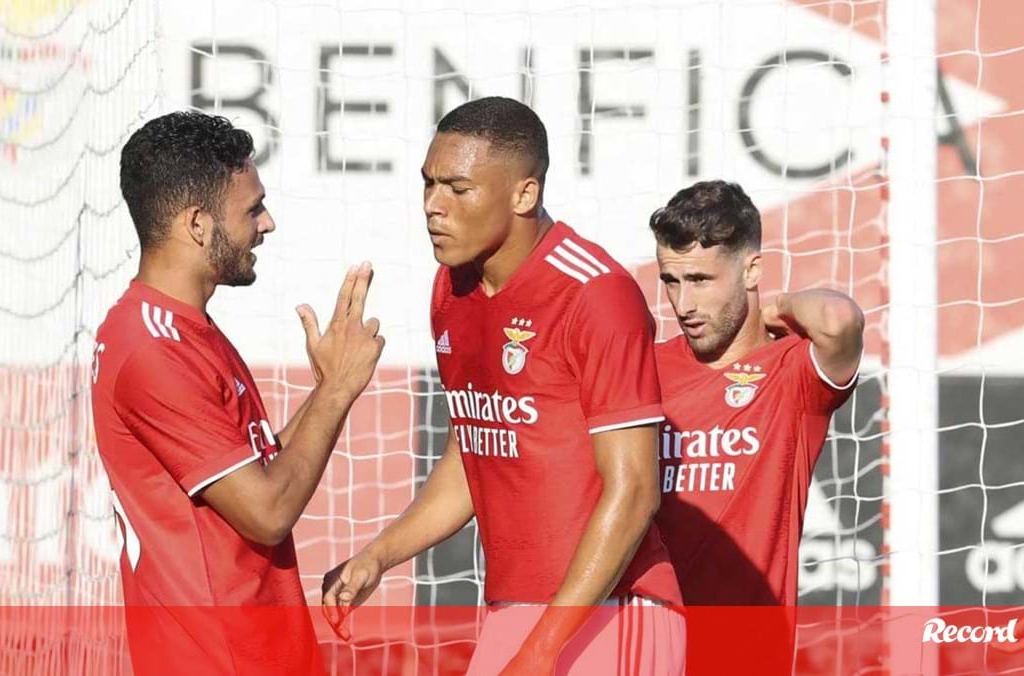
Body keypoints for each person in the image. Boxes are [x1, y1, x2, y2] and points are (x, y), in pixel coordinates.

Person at [321, 97, 685, 675]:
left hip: (614, 611)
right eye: (428, 185)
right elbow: (475, 454)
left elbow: (636, 490)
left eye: (458, 189)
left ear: (524, 194)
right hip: (515, 611)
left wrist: (543, 649)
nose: (433, 207)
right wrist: (379, 556)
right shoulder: (450, 290)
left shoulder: (594, 293)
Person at [91, 110, 384, 674]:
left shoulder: (178, 327)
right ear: (198, 223)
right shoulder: (154, 349)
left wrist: (326, 388)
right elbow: (267, 512)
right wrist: (338, 392)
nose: (267, 223)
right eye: (252, 208)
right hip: (221, 659)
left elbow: (257, 475)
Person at [648, 180, 863, 663]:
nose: (683, 305)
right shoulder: (644, 368)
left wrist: (778, 305)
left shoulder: (792, 373)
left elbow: (838, 319)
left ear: (752, 270)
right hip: (648, 643)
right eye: (671, 281)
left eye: (701, 280)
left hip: (745, 653)